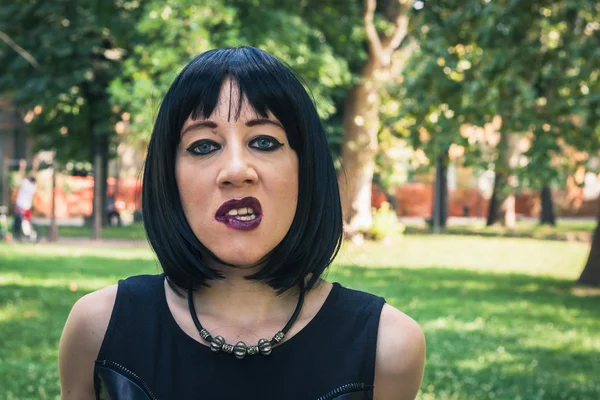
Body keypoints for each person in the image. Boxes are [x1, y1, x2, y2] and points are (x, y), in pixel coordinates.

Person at [58, 46, 425, 399]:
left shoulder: (388, 346)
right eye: (203, 145)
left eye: (264, 141)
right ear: (169, 177)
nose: (236, 170)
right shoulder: (98, 329)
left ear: (306, 168)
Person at [13, 174, 37, 241]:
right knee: (27, 222)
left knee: (19, 222)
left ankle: (18, 235)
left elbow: (22, 176)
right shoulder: (33, 187)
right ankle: (29, 236)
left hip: (21, 206)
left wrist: (22, 166)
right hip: (26, 207)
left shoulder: (25, 183)